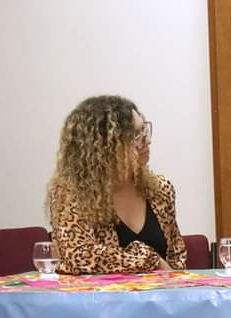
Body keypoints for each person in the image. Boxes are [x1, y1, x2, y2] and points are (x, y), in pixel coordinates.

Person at [46, 95, 187, 274]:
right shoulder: (70, 194)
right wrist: (150, 259)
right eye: (136, 135)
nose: (147, 140)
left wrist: (176, 281)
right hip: (99, 293)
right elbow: (79, 256)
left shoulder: (160, 188)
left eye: (144, 130)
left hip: (163, 291)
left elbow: (177, 257)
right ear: (104, 146)